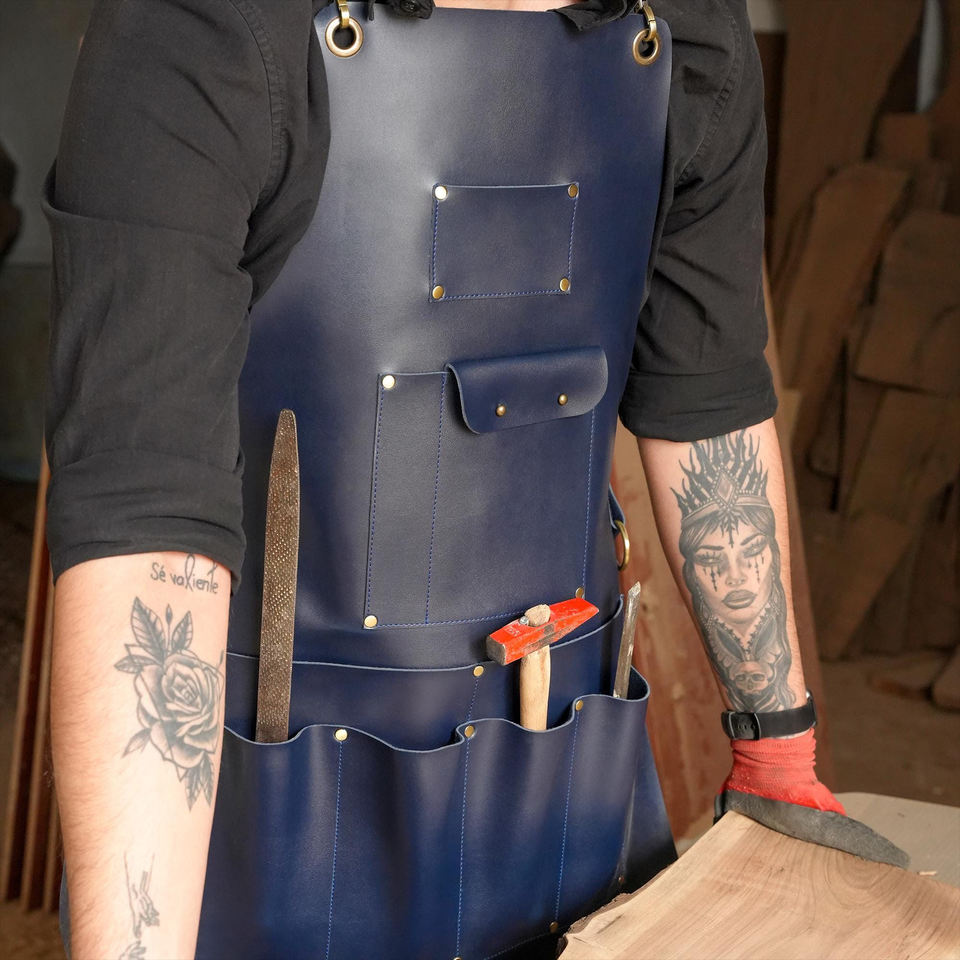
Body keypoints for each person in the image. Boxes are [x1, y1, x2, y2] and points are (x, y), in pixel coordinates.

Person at [44, 1, 893, 958]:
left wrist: (777, 748)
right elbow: (147, 528)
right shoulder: (203, 26)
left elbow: (707, 399)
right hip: (259, 821)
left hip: (565, 784)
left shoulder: (685, 30)